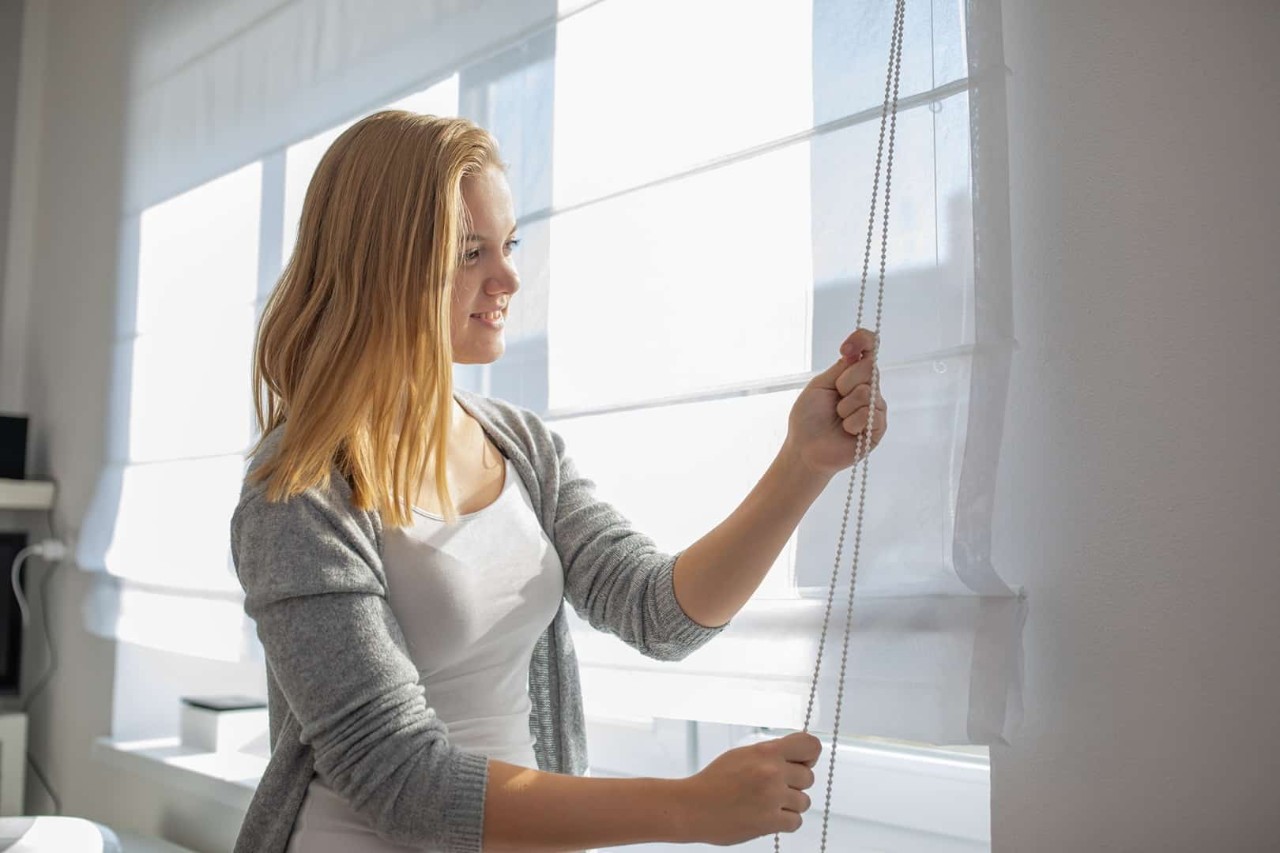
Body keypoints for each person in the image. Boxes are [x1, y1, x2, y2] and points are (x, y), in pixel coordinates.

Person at [230, 109, 888, 853]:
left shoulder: (521, 445)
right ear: (385, 263)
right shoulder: (298, 490)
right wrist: (685, 808)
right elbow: (400, 779)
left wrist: (802, 465)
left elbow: (655, 613)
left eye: (508, 245)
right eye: (471, 251)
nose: (509, 276)